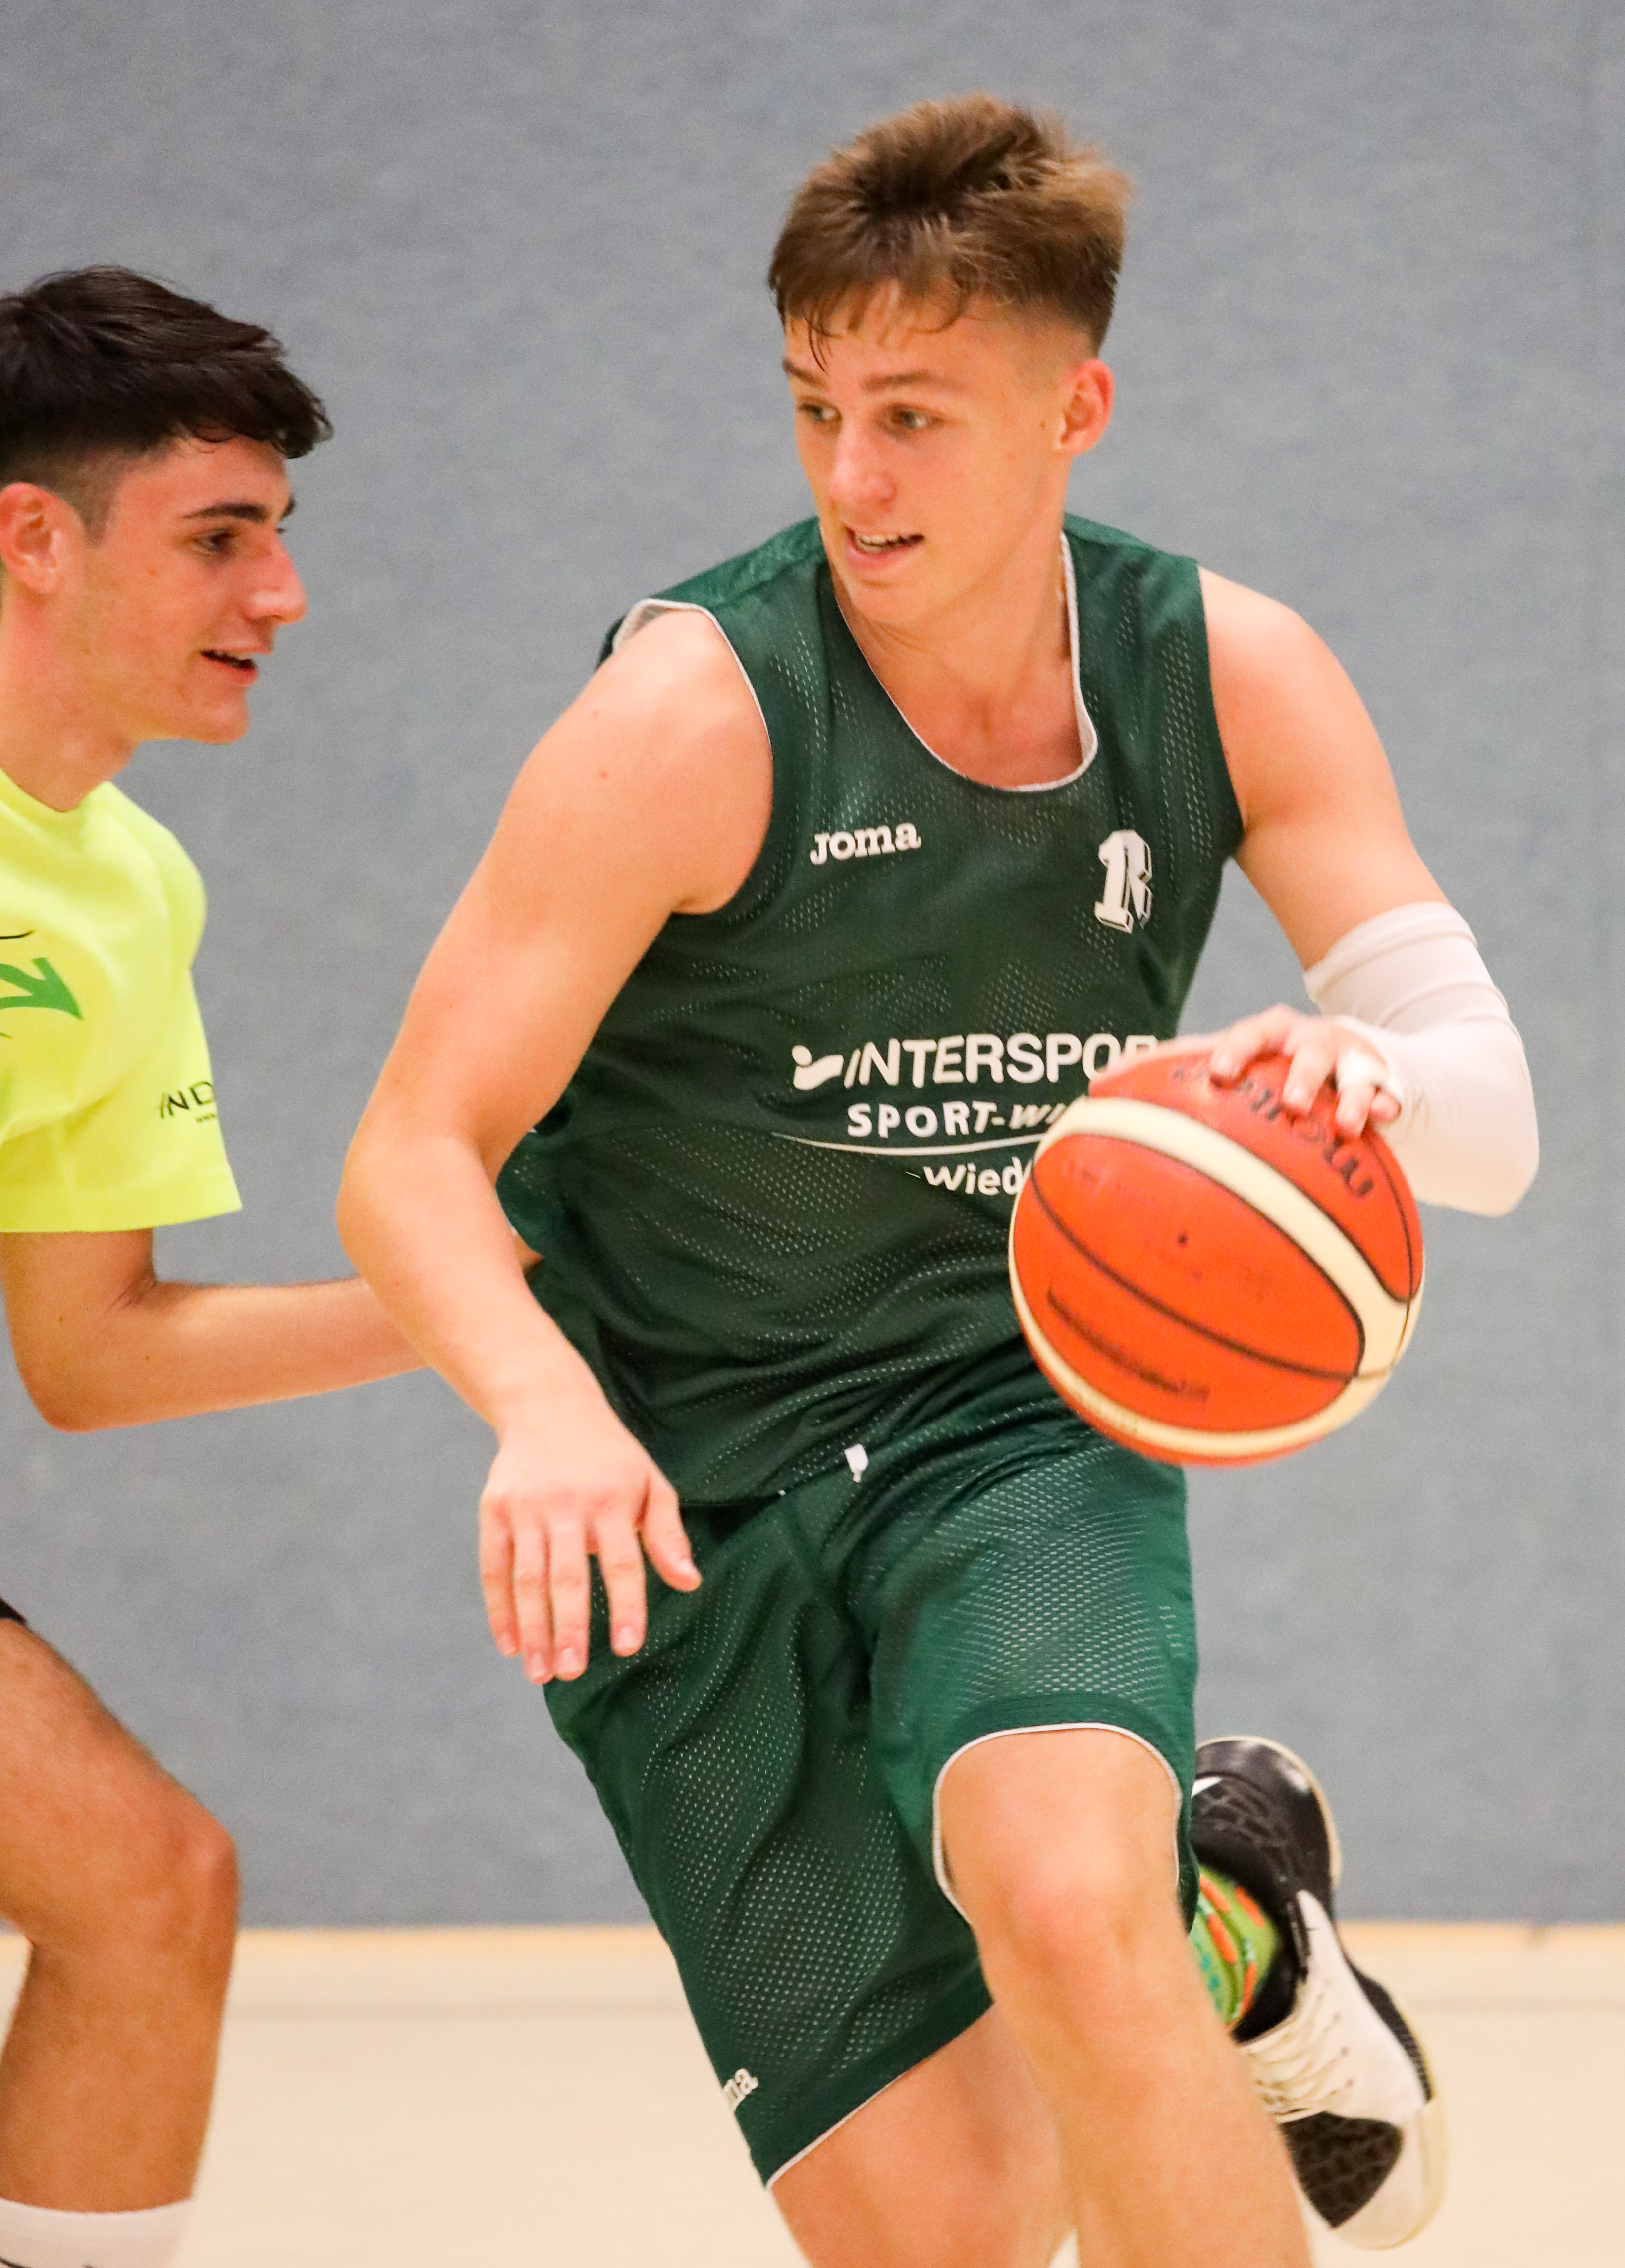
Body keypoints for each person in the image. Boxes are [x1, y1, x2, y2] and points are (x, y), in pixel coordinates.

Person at [340, 97, 1537, 2268]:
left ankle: (1146, 1907)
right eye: (815, 406)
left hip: (1010, 1420)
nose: (850, 476)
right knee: (954, 2229)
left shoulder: (1223, 672)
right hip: (682, 1476)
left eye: (912, 415)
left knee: (1065, 1910)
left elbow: (1492, 1120)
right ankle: (1231, 1919)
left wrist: (1360, 1065)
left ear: (1075, 409)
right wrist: (538, 1406)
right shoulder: (691, 716)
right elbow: (411, 1147)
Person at [0, 267, 422, 2268]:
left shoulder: (128, 889)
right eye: (220, 538)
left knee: (146, 1882)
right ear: (33, 538)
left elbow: (94, 1350)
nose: (282, 593)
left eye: (278, 536)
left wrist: (494, 1299)